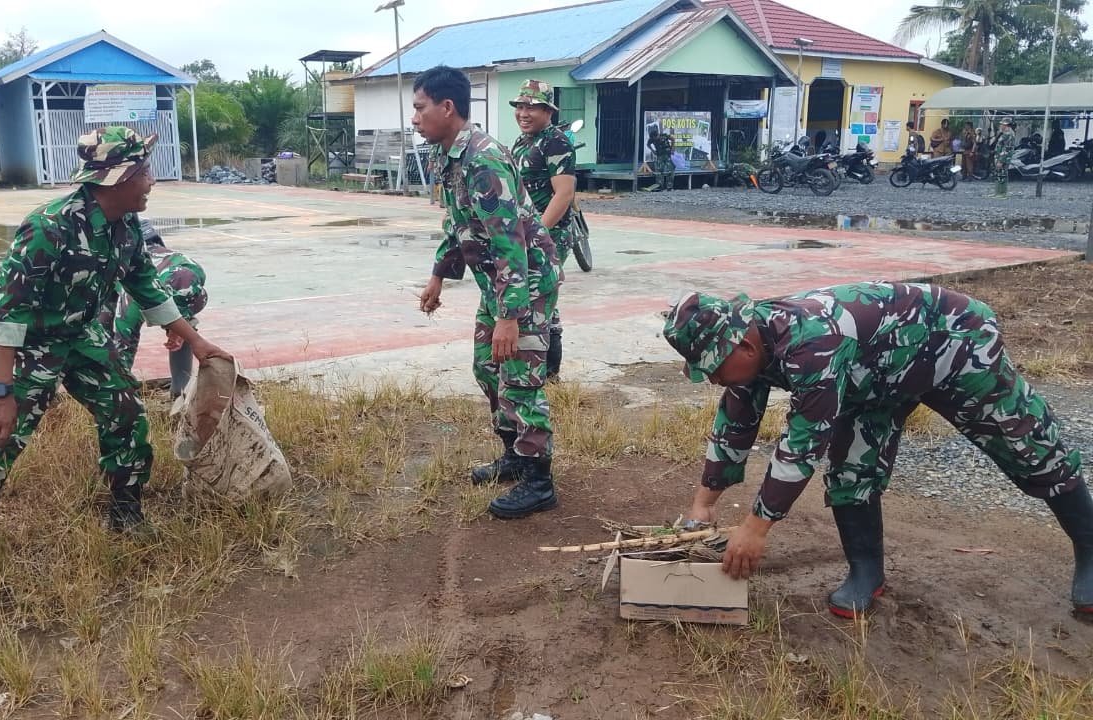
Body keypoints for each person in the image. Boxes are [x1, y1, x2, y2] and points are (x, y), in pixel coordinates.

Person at [662, 282, 1093, 618]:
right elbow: (735, 425)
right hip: (875, 374)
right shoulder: (750, 350)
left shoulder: (813, 343)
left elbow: (803, 444)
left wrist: (755, 528)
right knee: (852, 467)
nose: (713, 379)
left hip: (952, 342)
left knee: (1026, 445)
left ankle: (1091, 549)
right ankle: (866, 571)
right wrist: (703, 506)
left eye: (714, 368)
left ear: (745, 346)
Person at [0, 127, 231, 564]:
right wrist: (0, 394)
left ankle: (125, 514)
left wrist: (199, 342)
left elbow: (146, 287)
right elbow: (4, 317)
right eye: (145, 172)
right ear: (121, 177)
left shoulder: (125, 225)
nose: (152, 182)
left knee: (127, 411)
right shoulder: (47, 229)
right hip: (26, 347)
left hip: (81, 335)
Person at [413, 65, 562, 520]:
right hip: (499, 284)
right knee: (487, 367)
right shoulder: (447, 154)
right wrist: (440, 274)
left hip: (526, 282)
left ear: (447, 107)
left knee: (519, 377)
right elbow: (460, 224)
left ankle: (539, 479)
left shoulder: (483, 159)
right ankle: (515, 454)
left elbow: (508, 241)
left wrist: (510, 315)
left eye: (420, 108)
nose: (415, 118)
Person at [509, 79, 576, 381]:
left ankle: (545, 373)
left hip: (549, 237)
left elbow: (563, 194)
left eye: (531, 107)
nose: (524, 113)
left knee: (539, 299)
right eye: (520, 106)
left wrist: (537, 235)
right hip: (527, 236)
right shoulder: (523, 141)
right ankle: (548, 372)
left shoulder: (556, 141)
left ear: (548, 111)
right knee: (544, 303)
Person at [98, 220, 208, 399]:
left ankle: (180, 391)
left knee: (182, 327)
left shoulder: (189, 276)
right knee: (104, 337)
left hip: (138, 274)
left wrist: (179, 328)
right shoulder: (134, 291)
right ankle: (111, 396)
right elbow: (121, 345)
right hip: (117, 282)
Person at [993, 117, 1016, 198]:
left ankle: (1002, 193)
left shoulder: (1009, 134)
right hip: (1000, 157)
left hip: (1003, 159)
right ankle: (998, 192)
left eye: (1002, 124)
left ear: (1006, 124)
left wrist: (1001, 160)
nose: (1000, 125)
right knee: (999, 175)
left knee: (1002, 175)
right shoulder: (1005, 133)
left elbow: (1007, 148)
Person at [647, 126, 675, 191]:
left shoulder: (664, 136)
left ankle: (669, 187)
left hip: (667, 155)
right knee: (659, 171)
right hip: (659, 155)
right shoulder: (651, 139)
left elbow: (673, 139)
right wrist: (653, 151)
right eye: (653, 138)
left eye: (655, 137)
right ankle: (660, 186)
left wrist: (673, 148)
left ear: (658, 135)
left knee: (670, 170)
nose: (655, 139)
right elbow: (648, 144)